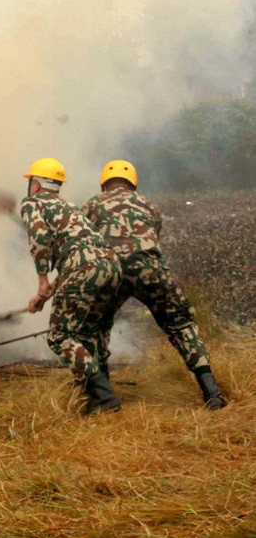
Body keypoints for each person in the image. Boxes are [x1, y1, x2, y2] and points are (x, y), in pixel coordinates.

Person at [82, 160, 226, 409]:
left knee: (95, 326)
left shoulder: (92, 204)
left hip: (110, 270)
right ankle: (212, 393)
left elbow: (84, 239)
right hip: (151, 270)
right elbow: (153, 234)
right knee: (181, 325)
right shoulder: (148, 204)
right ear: (133, 184)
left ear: (104, 183)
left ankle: (103, 397)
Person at [20, 158, 123, 415]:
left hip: (83, 268)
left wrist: (43, 280)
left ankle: (106, 398)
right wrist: (46, 293)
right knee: (89, 333)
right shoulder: (70, 207)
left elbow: (40, 239)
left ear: (35, 184)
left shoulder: (33, 203)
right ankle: (95, 399)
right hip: (111, 266)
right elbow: (83, 255)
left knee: (60, 335)